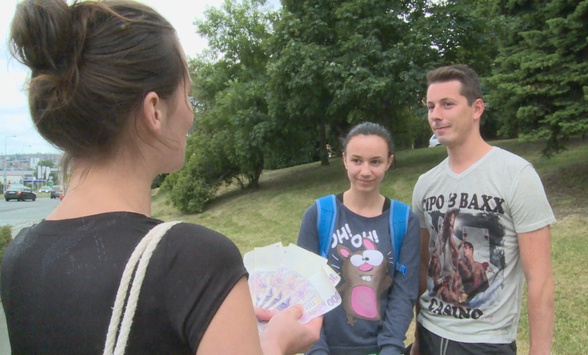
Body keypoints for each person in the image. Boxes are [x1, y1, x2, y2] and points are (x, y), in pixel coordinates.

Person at [1, 1, 321, 354]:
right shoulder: (194, 261)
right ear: (154, 109)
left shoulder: (20, 255)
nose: (190, 114)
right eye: (188, 93)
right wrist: (275, 344)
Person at [410, 65, 556, 354]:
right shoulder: (425, 184)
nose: (436, 115)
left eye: (447, 104)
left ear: (477, 108)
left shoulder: (516, 175)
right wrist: (417, 338)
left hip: (486, 343)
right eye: (431, 106)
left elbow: (540, 280)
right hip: (429, 336)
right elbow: (424, 271)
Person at [297, 122, 421, 355]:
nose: (365, 171)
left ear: (389, 162)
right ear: (344, 160)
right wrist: (316, 349)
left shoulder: (404, 220)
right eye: (357, 161)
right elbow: (305, 291)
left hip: (381, 349)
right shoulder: (319, 214)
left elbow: (404, 294)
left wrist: (390, 349)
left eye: (375, 161)